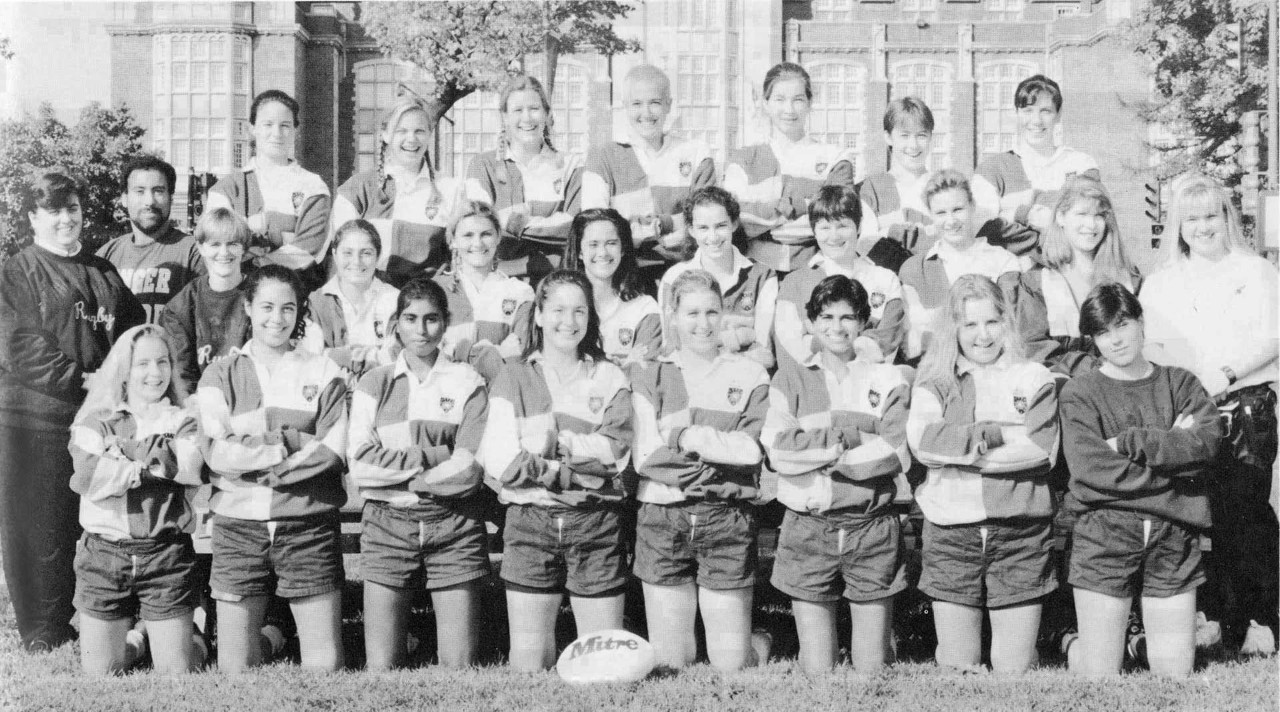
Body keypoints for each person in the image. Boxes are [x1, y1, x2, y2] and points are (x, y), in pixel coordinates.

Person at [0, 172, 146, 653]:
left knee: (81, 523)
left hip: (90, 424)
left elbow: (130, 333)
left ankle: (90, 615)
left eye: (73, 208)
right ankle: (43, 630)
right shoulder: (17, 270)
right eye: (54, 210)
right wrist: (85, 379)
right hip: (32, 421)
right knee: (37, 526)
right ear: (34, 218)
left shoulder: (102, 270)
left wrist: (115, 382)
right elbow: (19, 345)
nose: (67, 218)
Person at [1139, 174, 1279, 655]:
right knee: (1195, 518)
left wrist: (1225, 372)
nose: (1203, 227)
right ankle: (1215, 618)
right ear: (1178, 225)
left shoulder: (1255, 271)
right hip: (1184, 413)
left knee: (1246, 515)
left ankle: (1259, 620)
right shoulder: (1160, 283)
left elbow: (1273, 337)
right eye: (1192, 218)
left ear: (1228, 219)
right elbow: (1152, 349)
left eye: (1211, 216)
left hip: (1244, 407)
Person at [1058, 283, 1222, 677]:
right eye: (1102, 332)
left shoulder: (1180, 383)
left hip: (1173, 534)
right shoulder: (1081, 393)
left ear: (1140, 323)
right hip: (1105, 531)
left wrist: (1133, 442)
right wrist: (1176, 474)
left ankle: (1135, 643)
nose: (1115, 340)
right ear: (1093, 339)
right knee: (1099, 673)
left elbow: (1207, 445)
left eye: (1122, 324)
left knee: (1174, 672)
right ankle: (1068, 641)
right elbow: (1091, 470)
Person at [478, 270, 633, 671]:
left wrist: (553, 444)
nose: (570, 320)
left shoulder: (610, 375)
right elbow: (501, 460)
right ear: (540, 316)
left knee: (603, 664)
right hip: (530, 522)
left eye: (579, 310)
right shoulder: (513, 375)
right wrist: (566, 468)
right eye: (559, 310)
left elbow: (615, 456)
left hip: (595, 522)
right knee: (529, 662)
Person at [198, 265, 348, 672]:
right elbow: (216, 451)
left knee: (324, 664)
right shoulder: (219, 373)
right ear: (247, 307)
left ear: (300, 311)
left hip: (307, 524)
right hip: (238, 527)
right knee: (235, 667)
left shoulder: (323, 371)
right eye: (266, 306)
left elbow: (333, 449)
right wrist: (286, 443)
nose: (276, 318)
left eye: (288, 308)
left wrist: (253, 455)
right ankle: (273, 642)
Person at [906, 274, 1059, 672]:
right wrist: (997, 435)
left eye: (992, 322)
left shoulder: (1033, 376)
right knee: (958, 665)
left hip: (1020, 533)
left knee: (1014, 668)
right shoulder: (934, 381)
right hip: (951, 533)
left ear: (1006, 321)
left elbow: (1041, 450)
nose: (983, 335)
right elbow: (924, 444)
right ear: (953, 328)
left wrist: (959, 450)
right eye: (970, 324)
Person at [762, 275, 911, 674]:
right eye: (826, 317)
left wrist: (818, 450)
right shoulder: (789, 377)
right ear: (810, 322)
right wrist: (852, 439)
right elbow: (778, 452)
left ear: (863, 322)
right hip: (809, 525)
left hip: (871, 525)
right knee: (817, 669)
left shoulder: (887, 378)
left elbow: (895, 453)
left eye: (848, 317)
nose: (837, 327)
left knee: (871, 668)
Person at [632, 269, 772, 671]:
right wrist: (720, 471)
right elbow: (647, 457)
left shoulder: (749, 374)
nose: (703, 323)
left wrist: (689, 436)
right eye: (692, 313)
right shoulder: (650, 372)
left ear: (724, 313)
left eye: (712, 312)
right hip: (664, 516)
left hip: (726, 519)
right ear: (672, 315)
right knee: (672, 660)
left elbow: (751, 451)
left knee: (732, 662)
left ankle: (761, 638)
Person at [348, 277, 490, 670]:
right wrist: (434, 456)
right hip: (386, 523)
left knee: (458, 665)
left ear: (445, 323)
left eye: (431, 319)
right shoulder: (373, 383)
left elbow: (469, 469)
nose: (421, 330)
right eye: (410, 319)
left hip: (454, 524)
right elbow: (360, 465)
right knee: (382, 665)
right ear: (396, 323)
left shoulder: (468, 381)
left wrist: (404, 475)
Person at [69, 324, 205, 674]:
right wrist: (153, 461)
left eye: (163, 362)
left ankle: (196, 633)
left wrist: (121, 454)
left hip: (166, 555)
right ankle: (140, 638)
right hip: (104, 555)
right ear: (124, 370)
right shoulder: (95, 419)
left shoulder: (184, 418)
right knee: (100, 671)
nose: (154, 373)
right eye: (142, 363)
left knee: (178, 670)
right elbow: (88, 476)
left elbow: (187, 466)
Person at [581, 64, 716, 280]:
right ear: (624, 105)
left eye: (654, 103)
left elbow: (707, 219)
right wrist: (673, 228)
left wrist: (648, 228)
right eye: (636, 104)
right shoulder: (602, 157)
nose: (646, 113)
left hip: (685, 272)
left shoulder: (695, 153)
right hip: (625, 273)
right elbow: (596, 227)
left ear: (668, 105)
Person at [723, 62, 857, 274]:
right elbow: (734, 220)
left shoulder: (835, 158)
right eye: (779, 99)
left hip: (817, 271)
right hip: (754, 272)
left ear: (810, 102)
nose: (789, 110)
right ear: (765, 103)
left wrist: (765, 217)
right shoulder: (743, 160)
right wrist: (806, 208)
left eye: (798, 100)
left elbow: (839, 221)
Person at [1007, 177, 1141, 377]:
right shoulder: (1036, 283)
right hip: (1064, 391)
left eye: (1099, 215)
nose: (1091, 224)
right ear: (1061, 217)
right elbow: (1035, 348)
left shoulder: (1129, 280)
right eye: (1082, 214)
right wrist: (1098, 370)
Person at [333, 96, 465, 287]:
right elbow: (344, 259)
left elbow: (458, 258)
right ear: (385, 135)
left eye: (419, 131)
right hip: (372, 300)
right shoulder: (356, 189)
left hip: (428, 303)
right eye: (401, 131)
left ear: (429, 134)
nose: (411, 139)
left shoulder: (451, 190)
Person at [206, 89, 331, 292]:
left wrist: (256, 256)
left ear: (295, 130)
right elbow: (218, 245)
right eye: (268, 124)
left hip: (295, 295)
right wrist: (284, 232)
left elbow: (309, 249)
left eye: (285, 125)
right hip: (237, 293)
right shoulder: (226, 189)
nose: (277, 133)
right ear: (252, 129)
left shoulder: (313, 186)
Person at [465, 74, 583, 283]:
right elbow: (481, 226)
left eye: (534, 109)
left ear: (547, 114)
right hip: (498, 282)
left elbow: (575, 227)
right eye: (518, 110)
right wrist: (548, 228)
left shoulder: (571, 166)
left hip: (558, 281)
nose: (527, 118)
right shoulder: (481, 166)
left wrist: (514, 222)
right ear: (505, 117)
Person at [773, 185, 907, 370]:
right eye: (825, 227)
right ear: (814, 231)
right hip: (816, 385)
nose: (834, 236)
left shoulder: (886, 279)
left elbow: (887, 341)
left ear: (858, 225)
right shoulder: (794, 283)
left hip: (867, 382)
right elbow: (793, 346)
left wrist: (820, 339)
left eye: (843, 225)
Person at [971, 75, 1101, 259]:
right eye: (1028, 110)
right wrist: (1055, 219)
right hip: (1011, 279)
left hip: (1071, 273)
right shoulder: (991, 170)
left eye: (1045, 111)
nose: (1036, 120)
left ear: (1059, 113)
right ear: (1016, 112)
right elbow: (984, 232)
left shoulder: (1081, 165)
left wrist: (1018, 210)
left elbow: (1086, 224)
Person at [898, 170, 1022, 360]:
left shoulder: (1003, 262)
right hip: (933, 368)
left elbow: (1009, 328)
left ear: (972, 207)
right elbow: (913, 341)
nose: (951, 221)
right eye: (941, 213)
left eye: (958, 210)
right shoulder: (914, 269)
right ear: (931, 215)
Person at [659, 187, 778, 370]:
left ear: (734, 224)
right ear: (691, 230)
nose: (713, 237)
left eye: (721, 226)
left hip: (746, 383)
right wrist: (740, 336)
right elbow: (671, 351)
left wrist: (705, 348)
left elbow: (765, 355)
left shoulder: (762, 277)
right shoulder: (673, 278)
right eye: (703, 228)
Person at [434, 202, 535, 384]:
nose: (477, 243)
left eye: (486, 234)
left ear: (498, 238)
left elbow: (520, 356)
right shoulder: (434, 291)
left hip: (500, 394)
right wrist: (497, 352)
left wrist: (458, 350)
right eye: (468, 235)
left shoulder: (520, 293)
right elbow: (428, 353)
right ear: (453, 241)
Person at [98, 155, 204, 324]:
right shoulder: (106, 256)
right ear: (124, 199)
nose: (149, 201)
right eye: (139, 191)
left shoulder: (194, 252)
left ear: (171, 198)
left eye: (158, 191)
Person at [160, 208, 253, 395]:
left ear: (244, 248)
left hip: (251, 402)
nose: (224, 252)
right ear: (201, 247)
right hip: (200, 404)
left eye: (233, 243)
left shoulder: (260, 295)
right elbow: (181, 373)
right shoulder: (181, 306)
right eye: (215, 244)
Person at [562, 207, 662, 370]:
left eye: (611, 243)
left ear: (623, 249)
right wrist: (622, 365)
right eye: (593, 244)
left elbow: (645, 373)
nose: (602, 252)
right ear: (579, 252)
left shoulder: (644, 308)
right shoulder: (560, 306)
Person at [302, 219, 400, 375]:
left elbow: (396, 358)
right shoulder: (317, 301)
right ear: (334, 254)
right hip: (331, 392)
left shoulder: (395, 299)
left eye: (366, 253)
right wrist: (372, 355)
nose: (356, 262)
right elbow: (310, 358)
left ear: (378, 255)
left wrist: (337, 355)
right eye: (347, 253)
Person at [856, 96, 940, 271]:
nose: (913, 145)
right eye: (904, 136)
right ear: (888, 137)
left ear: (931, 137)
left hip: (936, 277)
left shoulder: (944, 186)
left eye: (921, 135)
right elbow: (866, 242)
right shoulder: (872, 188)